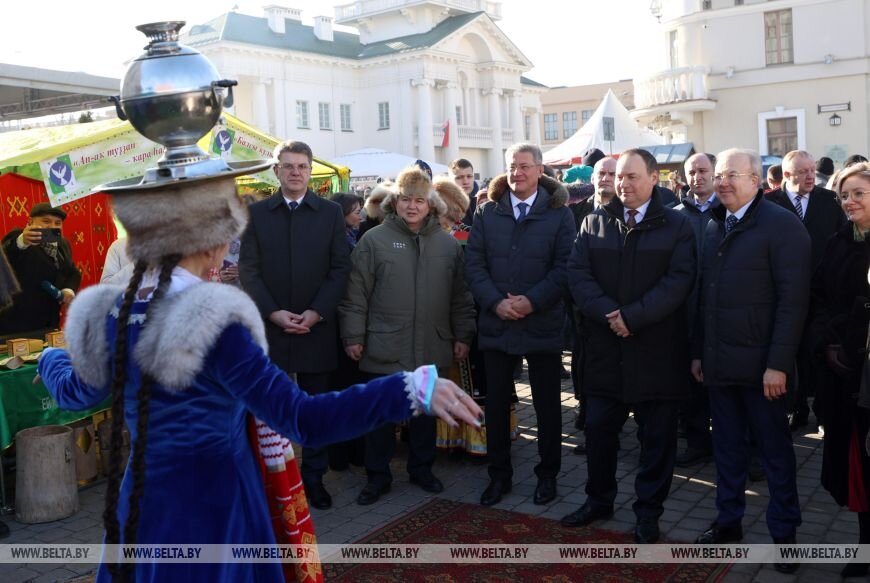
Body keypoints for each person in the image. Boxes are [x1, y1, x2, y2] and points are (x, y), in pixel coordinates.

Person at [36, 170, 481, 583]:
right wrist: (408, 388)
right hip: (217, 506)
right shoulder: (215, 324)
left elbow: (77, 391)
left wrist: (47, 361)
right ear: (211, 244)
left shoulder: (116, 313)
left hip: (141, 500)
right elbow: (303, 419)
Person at [561, 148, 696, 545]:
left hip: (656, 353)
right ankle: (598, 500)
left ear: (654, 178)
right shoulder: (593, 223)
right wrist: (610, 315)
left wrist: (632, 317)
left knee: (656, 441)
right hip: (606, 353)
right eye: (620, 176)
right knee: (600, 432)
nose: (624, 184)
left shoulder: (677, 225)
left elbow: (679, 281)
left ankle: (648, 512)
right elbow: (577, 275)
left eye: (633, 176)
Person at [691, 148, 810, 576]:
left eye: (732, 175)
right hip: (720, 367)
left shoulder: (782, 227)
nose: (722, 182)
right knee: (726, 452)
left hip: (765, 373)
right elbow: (704, 297)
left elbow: (794, 303)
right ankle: (728, 524)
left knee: (775, 455)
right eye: (719, 175)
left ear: (757, 180)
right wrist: (699, 354)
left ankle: (785, 536)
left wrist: (778, 364)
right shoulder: (712, 225)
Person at [339, 166, 476, 505]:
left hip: (432, 341)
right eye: (405, 200)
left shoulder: (447, 244)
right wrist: (353, 336)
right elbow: (355, 294)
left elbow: (461, 296)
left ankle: (422, 469)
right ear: (395, 202)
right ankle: (377, 476)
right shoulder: (374, 241)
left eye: (419, 200)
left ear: (430, 204)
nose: (412, 207)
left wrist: (463, 335)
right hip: (385, 342)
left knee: (425, 413)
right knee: (381, 415)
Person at [239, 140, 351, 510]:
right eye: (288, 166)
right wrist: (273, 313)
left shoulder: (330, 213)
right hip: (272, 328)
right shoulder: (257, 215)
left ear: (310, 170)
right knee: (271, 409)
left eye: (302, 166)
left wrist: (317, 312)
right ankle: (274, 480)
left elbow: (340, 269)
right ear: (276, 171)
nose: (295, 172)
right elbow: (249, 271)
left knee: (315, 408)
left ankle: (314, 479)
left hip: (316, 328)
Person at [465, 142, 575, 507]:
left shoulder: (559, 215)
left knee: (546, 405)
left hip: (541, 322)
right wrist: (496, 302)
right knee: (496, 405)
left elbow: (565, 268)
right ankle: (499, 476)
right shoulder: (487, 212)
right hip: (497, 323)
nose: (517, 173)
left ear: (540, 170)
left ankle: (547, 476)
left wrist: (532, 301)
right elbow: (475, 265)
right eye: (512, 166)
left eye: (525, 166)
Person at [807, 162, 870, 578]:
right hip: (845, 378)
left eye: (859, 194)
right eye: (844, 195)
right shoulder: (836, 242)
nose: (849, 202)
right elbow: (820, 296)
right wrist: (830, 342)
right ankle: (866, 545)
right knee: (859, 467)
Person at [766, 150, 846, 432]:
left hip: (821, 293)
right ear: (786, 176)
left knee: (820, 352)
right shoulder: (768, 203)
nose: (811, 176)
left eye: (812, 170)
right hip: (782, 293)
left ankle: (823, 413)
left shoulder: (830, 201)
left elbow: (841, 241)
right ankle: (794, 409)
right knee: (788, 354)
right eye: (803, 171)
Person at [568, 156, 618, 453]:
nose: (606, 178)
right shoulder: (576, 213)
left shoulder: (628, 214)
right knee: (583, 364)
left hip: (617, 307)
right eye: (601, 173)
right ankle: (588, 416)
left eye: (612, 173)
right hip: (582, 305)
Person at [673, 153, 719, 467]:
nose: (697, 177)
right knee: (690, 381)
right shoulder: (675, 215)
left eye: (703, 171)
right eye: (692, 172)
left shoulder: (729, 209)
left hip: (722, 308)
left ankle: (743, 447)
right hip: (685, 309)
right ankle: (697, 441)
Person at [0, 203, 80, 337]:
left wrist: (68, 290)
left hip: (49, 325)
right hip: (16, 327)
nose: (52, 226)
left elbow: (72, 272)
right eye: (46, 221)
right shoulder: (18, 237)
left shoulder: (63, 244)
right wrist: (22, 241)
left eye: (57, 223)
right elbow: (9, 252)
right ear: (30, 221)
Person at [448, 158, 479, 226]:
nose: (465, 182)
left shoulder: (478, 206)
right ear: (450, 181)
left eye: (469, 176)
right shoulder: (442, 208)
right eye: (459, 177)